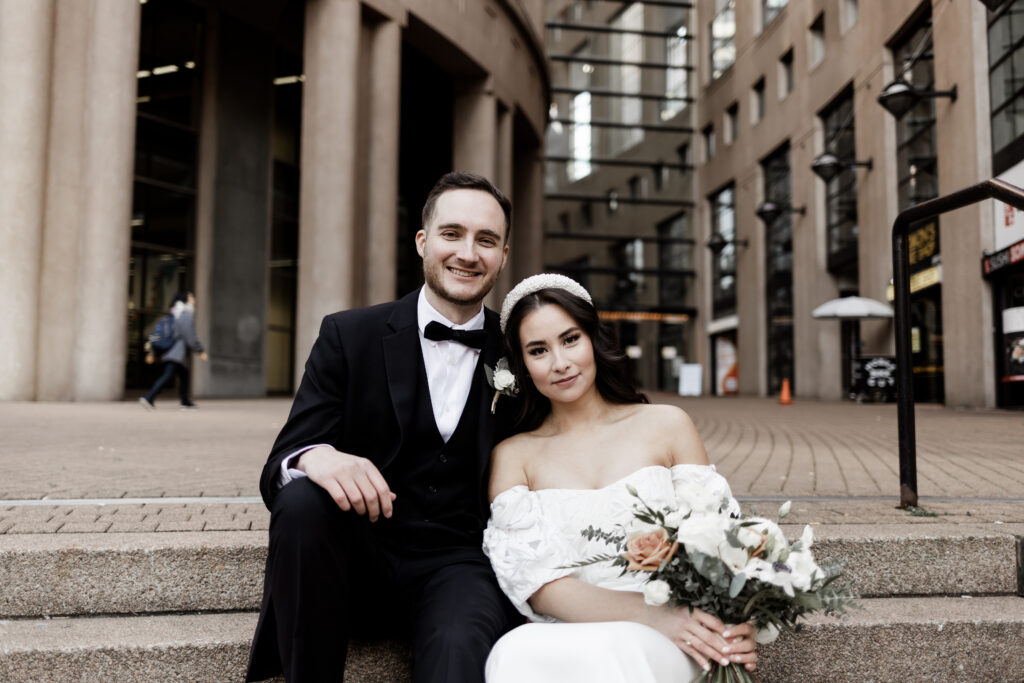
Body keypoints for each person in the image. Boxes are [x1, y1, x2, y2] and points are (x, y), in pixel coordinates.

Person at [246, 172, 523, 683]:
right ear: (422, 242)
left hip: (459, 564)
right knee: (303, 500)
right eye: (451, 233)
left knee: (461, 647)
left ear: (503, 256)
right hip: (355, 562)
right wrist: (314, 455)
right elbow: (277, 466)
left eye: (486, 240)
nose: (468, 252)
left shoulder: (523, 354)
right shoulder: (348, 334)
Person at [482, 274, 759, 682]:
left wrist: (738, 620)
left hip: (673, 635)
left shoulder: (667, 425)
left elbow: (719, 542)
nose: (560, 362)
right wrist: (650, 614)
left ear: (593, 338)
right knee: (511, 652)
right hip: (568, 633)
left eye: (570, 339)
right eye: (538, 350)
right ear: (521, 365)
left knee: (619, 657)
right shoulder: (513, 456)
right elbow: (538, 585)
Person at [139, 291, 208, 410]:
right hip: (177, 353)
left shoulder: (172, 315)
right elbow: (190, 336)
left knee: (184, 376)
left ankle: (185, 402)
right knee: (167, 376)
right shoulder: (186, 315)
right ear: (185, 299)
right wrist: (200, 350)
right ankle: (149, 398)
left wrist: (153, 351)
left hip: (170, 352)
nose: (193, 299)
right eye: (191, 297)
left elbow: (155, 335)